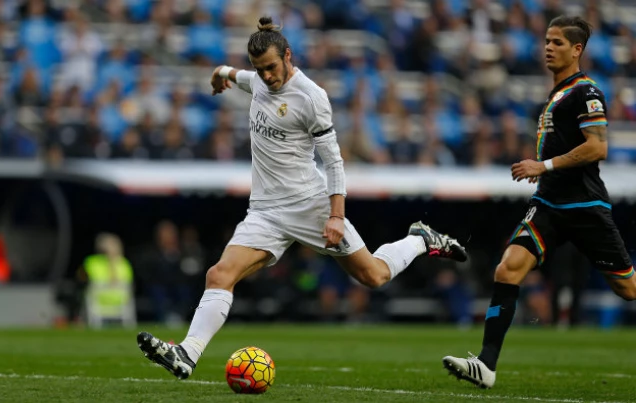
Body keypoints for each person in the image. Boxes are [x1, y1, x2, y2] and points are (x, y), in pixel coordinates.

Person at [136, 16, 467, 380]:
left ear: (288, 56)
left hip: (310, 206)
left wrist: (336, 216)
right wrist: (220, 74)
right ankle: (187, 353)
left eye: (271, 68)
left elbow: (334, 161)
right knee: (219, 273)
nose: (266, 76)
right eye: (259, 69)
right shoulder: (257, 80)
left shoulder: (311, 97)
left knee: (373, 275)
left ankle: (420, 239)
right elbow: (235, 75)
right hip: (264, 212)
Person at [442, 15, 636, 389]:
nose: (548, 47)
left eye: (557, 42)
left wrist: (542, 165)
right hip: (548, 203)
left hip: (583, 206)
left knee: (628, 289)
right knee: (507, 269)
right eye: (547, 41)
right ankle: (486, 365)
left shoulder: (586, 92)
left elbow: (598, 147)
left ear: (577, 50)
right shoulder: (556, 93)